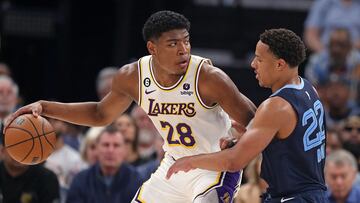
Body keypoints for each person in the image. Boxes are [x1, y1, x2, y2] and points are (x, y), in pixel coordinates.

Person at [5, 10, 256, 202]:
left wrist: (238, 142)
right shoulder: (133, 76)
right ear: (152, 48)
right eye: (173, 44)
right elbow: (100, 113)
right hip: (174, 164)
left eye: (186, 41)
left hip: (214, 167)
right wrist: (45, 107)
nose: (183, 50)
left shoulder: (209, 77)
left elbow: (254, 120)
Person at [167, 28, 329, 203]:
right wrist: (247, 139)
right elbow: (293, 143)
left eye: (259, 59)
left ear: (280, 64)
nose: (253, 64)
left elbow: (234, 161)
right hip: (314, 194)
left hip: (292, 197)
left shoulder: (276, 106)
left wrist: (189, 161)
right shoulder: (308, 88)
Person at [66, 125, 143, 203]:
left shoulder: (137, 180)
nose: (110, 150)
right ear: (97, 148)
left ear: (124, 150)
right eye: (106, 145)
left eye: (116, 145)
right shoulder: (81, 180)